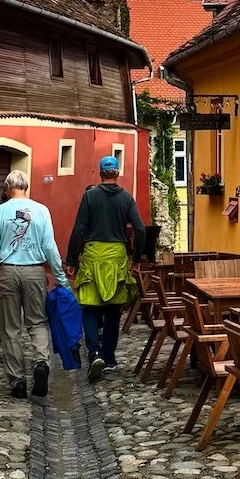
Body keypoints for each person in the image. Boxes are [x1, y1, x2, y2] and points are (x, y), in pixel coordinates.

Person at [0, 170, 69, 399]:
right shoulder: (42, 211)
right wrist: (61, 279)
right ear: (26, 187)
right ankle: (41, 362)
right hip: (34, 271)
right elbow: (50, 247)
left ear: (7, 188)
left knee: (10, 328)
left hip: (7, 271)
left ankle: (17, 379)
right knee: (38, 321)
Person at [66, 156, 145, 381]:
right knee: (113, 309)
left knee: (89, 307)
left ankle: (94, 352)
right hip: (117, 258)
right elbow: (140, 230)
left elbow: (78, 229)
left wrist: (71, 260)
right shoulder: (127, 199)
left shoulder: (90, 196)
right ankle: (109, 358)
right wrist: (136, 258)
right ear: (117, 173)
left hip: (92, 257)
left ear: (100, 173)